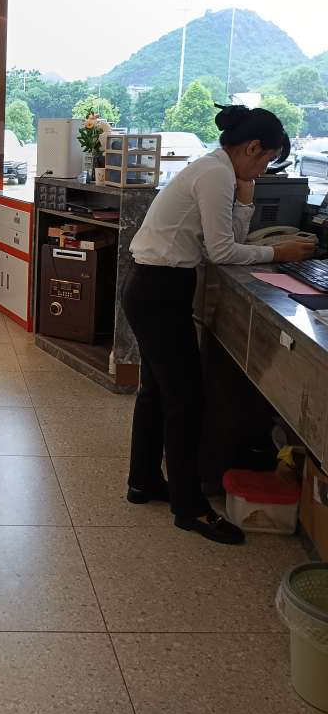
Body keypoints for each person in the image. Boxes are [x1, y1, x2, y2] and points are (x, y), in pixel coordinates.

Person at [124, 105, 316, 545]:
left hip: (154, 286)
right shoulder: (215, 174)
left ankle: (143, 482)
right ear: (252, 147)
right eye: (266, 160)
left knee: (157, 392)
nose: (263, 170)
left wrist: (245, 201)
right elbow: (222, 251)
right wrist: (279, 252)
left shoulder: (216, 170)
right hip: (160, 290)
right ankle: (189, 508)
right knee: (185, 401)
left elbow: (226, 240)